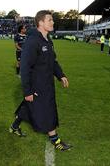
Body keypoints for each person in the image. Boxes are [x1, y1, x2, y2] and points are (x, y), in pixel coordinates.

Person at [9, 10, 72, 151]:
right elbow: (24, 68)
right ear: (41, 23)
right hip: (37, 86)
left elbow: (53, 61)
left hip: (47, 83)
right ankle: (56, 141)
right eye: (50, 20)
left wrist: (61, 75)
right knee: (47, 110)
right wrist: (28, 91)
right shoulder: (32, 42)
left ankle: (14, 127)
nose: (53, 22)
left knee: (29, 107)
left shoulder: (48, 40)